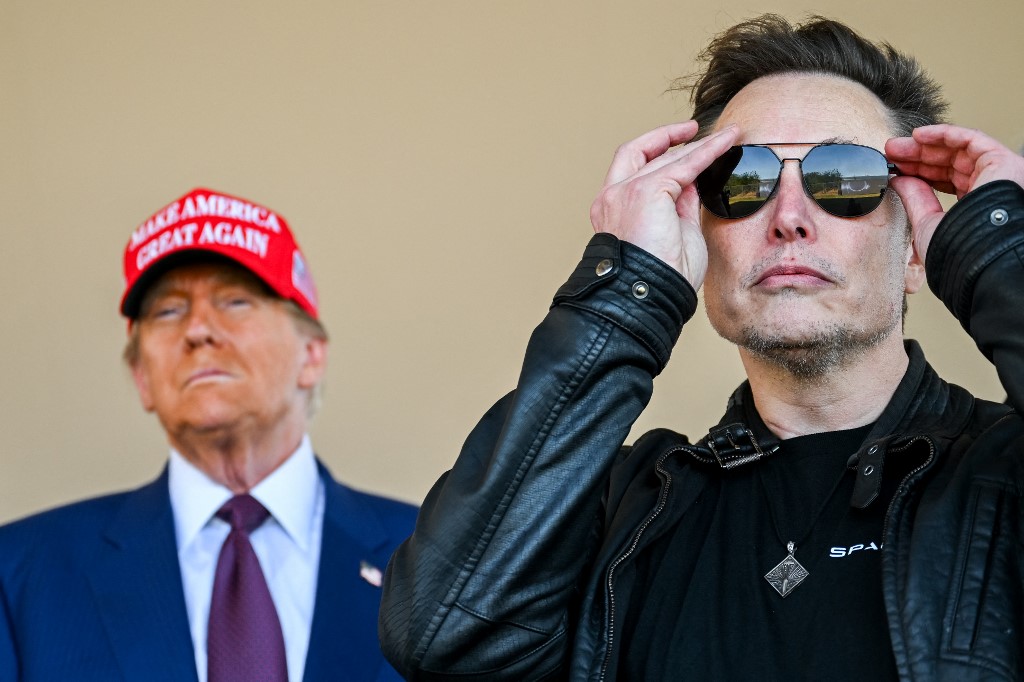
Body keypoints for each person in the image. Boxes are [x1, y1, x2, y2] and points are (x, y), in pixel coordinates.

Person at [379, 15, 1024, 681]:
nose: (789, 216)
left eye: (846, 178)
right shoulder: (623, 509)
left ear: (916, 251)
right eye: (740, 180)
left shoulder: (1005, 472)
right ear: (698, 246)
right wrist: (629, 286)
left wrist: (1004, 254)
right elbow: (442, 633)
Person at [0, 188, 418, 681]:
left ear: (311, 355)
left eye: (236, 300)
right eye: (168, 311)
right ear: (141, 378)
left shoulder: (432, 558)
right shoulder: (22, 574)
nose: (198, 329)